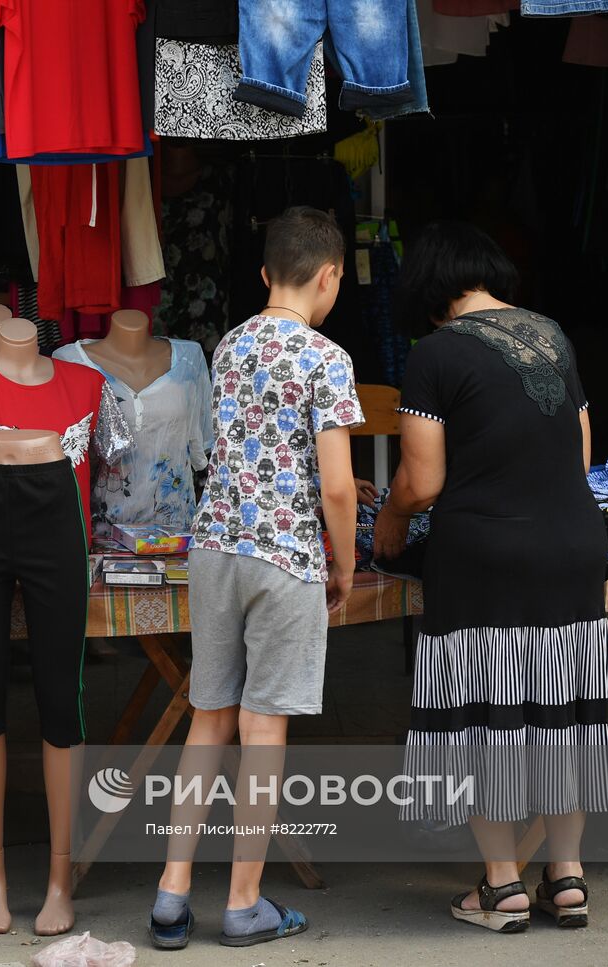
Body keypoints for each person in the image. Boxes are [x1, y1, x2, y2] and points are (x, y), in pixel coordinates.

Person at [374, 220, 608, 933]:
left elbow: (421, 481)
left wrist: (390, 519)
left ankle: (503, 887)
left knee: (483, 711)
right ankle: (566, 876)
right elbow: (579, 454)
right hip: (572, 543)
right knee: (561, 706)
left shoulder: (434, 355)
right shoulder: (552, 334)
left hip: (483, 554)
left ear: (427, 287)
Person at [149, 207, 362, 950]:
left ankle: (171, 894)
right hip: (284, 553)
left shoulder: (230, 344)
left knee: (209, 714)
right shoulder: (327, 357)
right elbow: (337, 486)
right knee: (263, 726)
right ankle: (243, 901)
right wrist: (347, 559)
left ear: (266, 272)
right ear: (330, 275)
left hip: (214, 548)